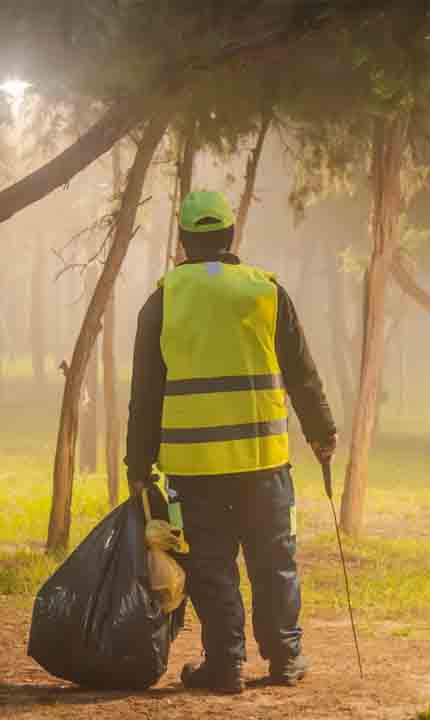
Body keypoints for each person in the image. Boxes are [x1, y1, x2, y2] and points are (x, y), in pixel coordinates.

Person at [124, 189, 337, 694]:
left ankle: (226, 664)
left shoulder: (163, 299)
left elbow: (145, 394)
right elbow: (302, 375)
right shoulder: (266, 291)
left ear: (183, 241)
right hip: (264, 460)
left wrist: (138, 465)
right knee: (273, 560)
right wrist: (322, 433)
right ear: (230, 236)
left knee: (210, 563)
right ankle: (285, 658)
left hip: (194, 467)